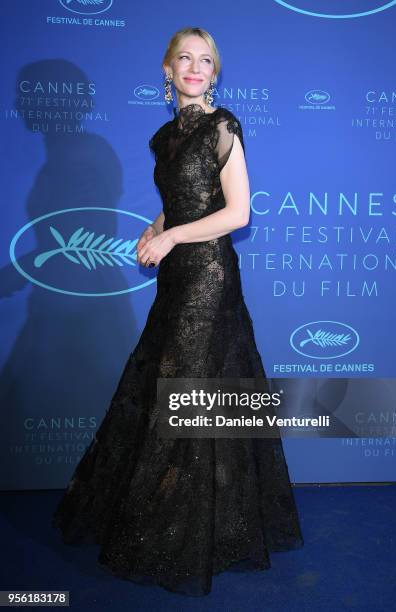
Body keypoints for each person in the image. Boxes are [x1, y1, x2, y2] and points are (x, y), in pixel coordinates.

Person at [52, 26, 304, 597]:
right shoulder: (164, 137)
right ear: (167, 70)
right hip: (175, 279)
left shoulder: (223, 127)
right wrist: (154, 229)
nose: (195, 67)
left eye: (205, 60)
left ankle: (184, 531)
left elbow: (237, 212)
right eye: (184, 59)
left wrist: (172, 238)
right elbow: (179, 206)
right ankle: (180, 515)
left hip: (209, 278)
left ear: (215, 73)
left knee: (184, 392)